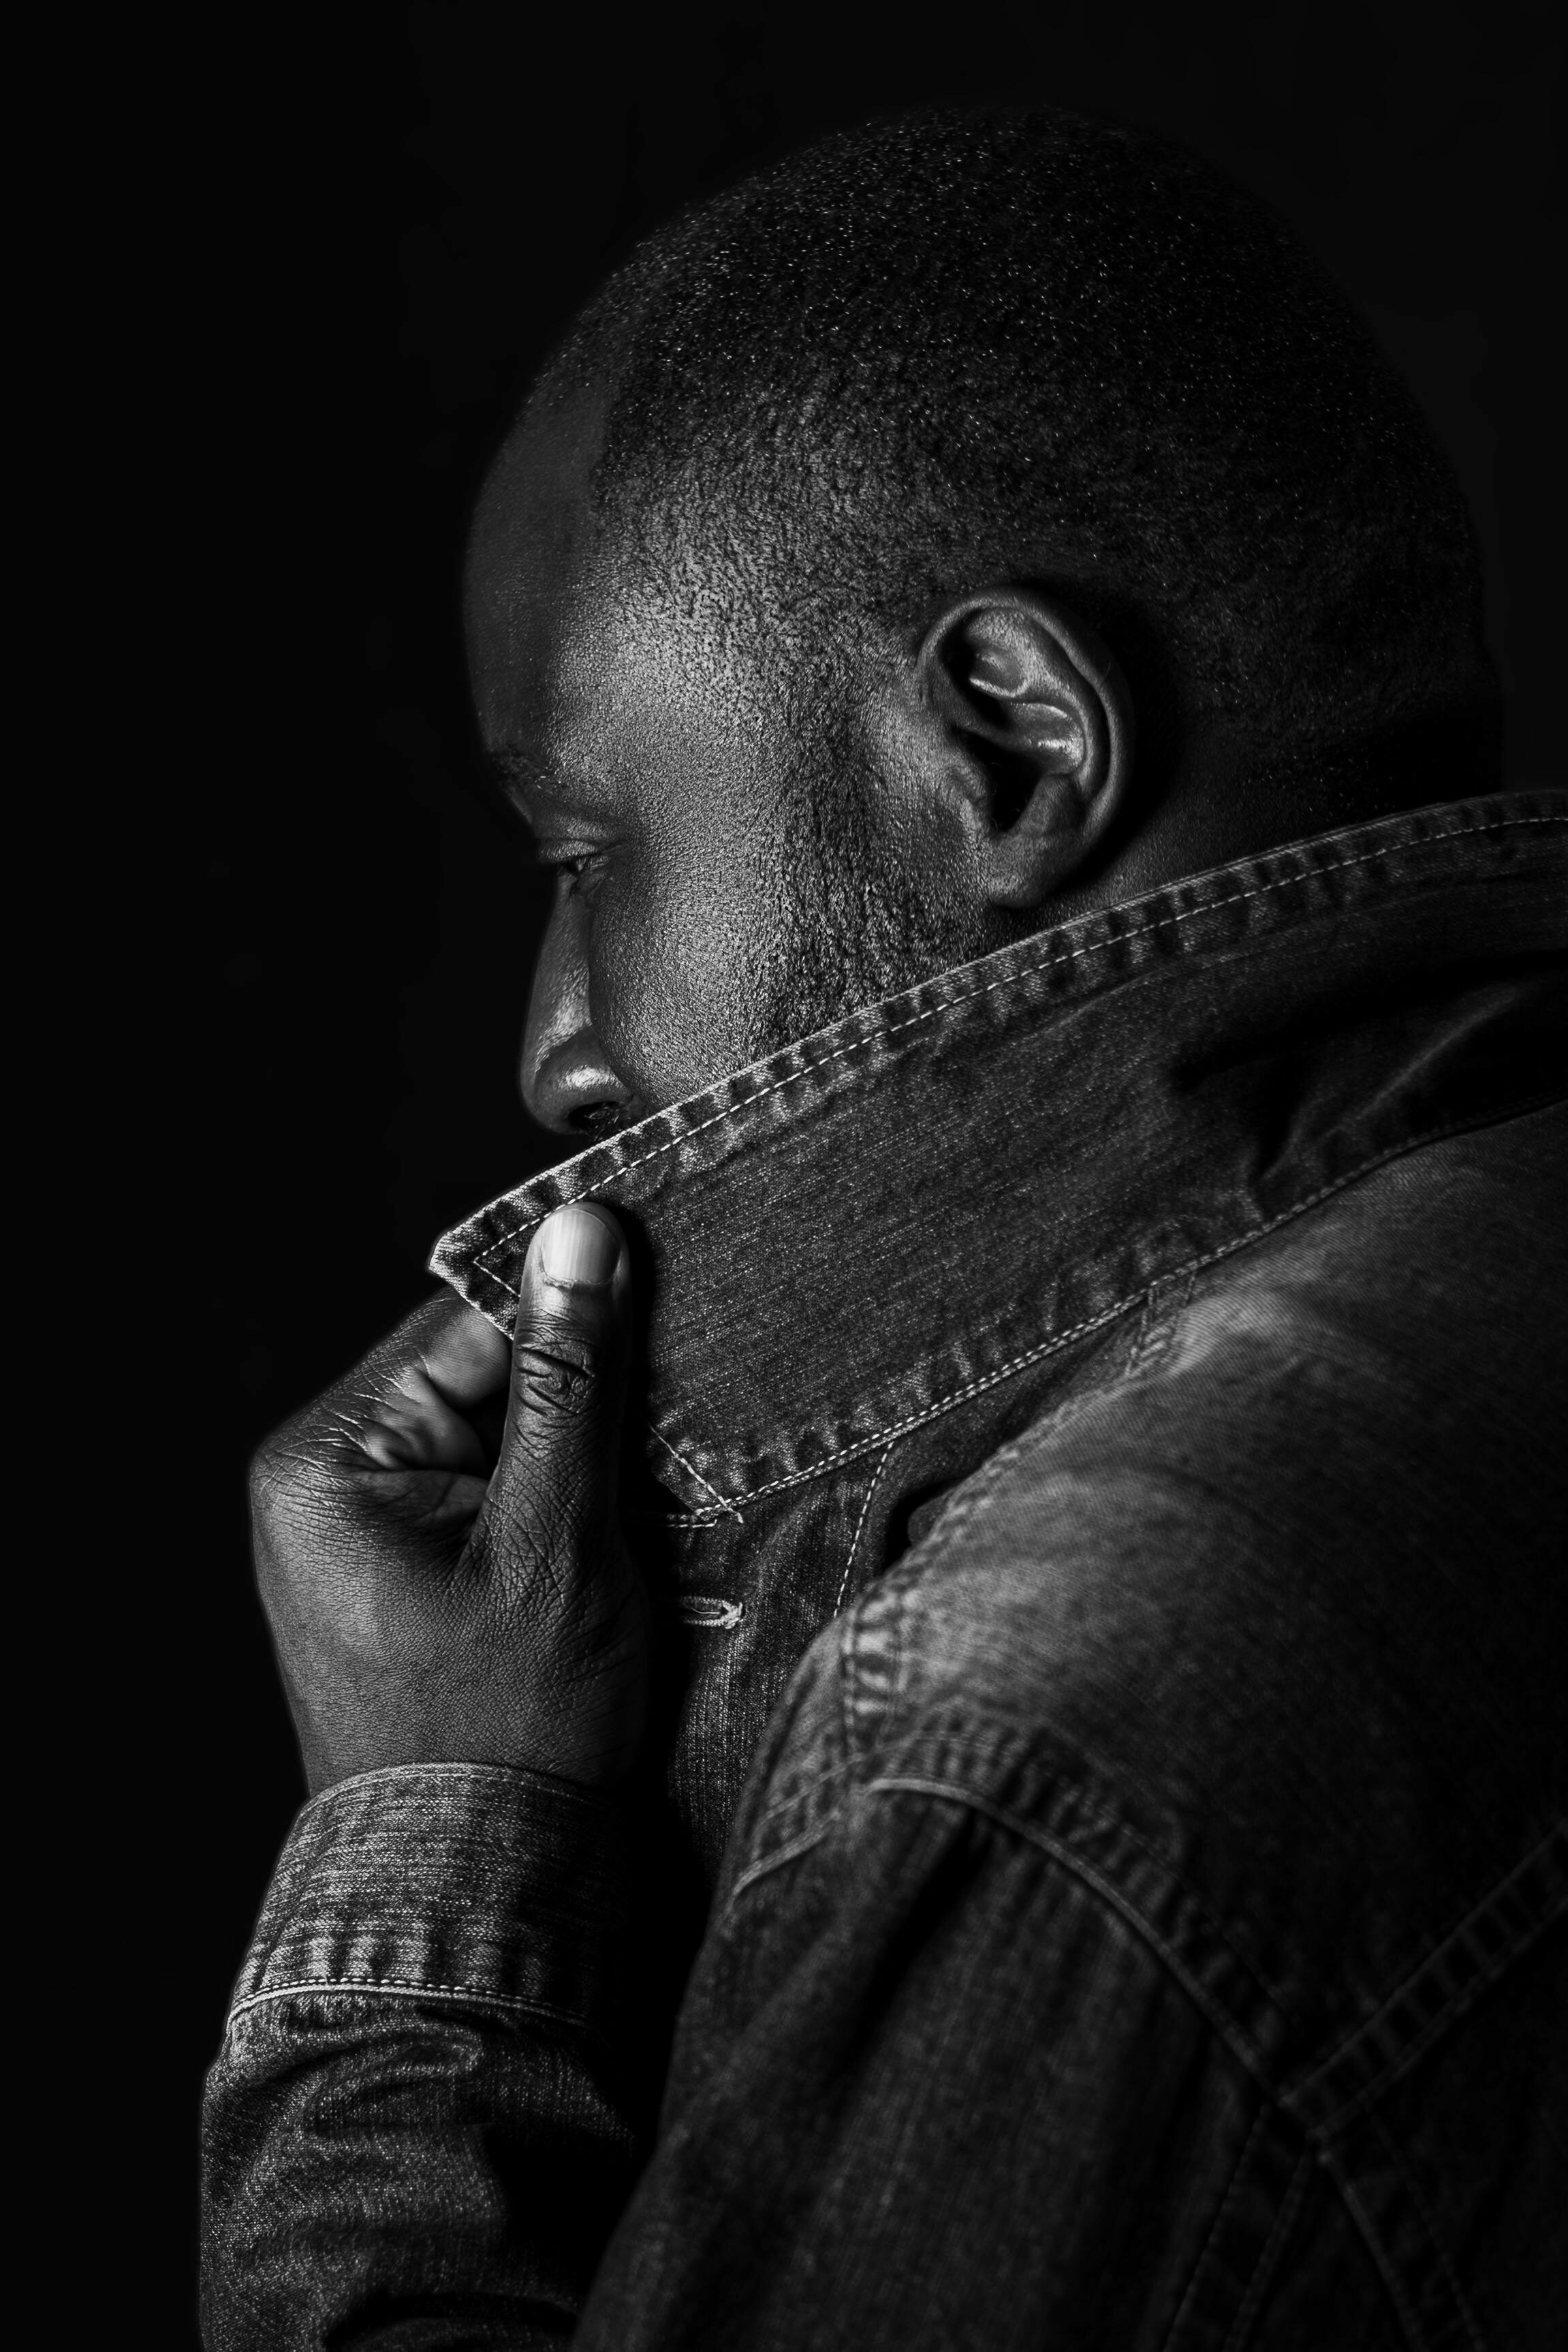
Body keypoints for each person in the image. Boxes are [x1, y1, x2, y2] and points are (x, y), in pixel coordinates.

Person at [201, 108, 1566, 2348]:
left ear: (1007, 747)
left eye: (582, 855)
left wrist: (428, 1879)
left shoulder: (1048, 1718)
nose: (556, 1053)